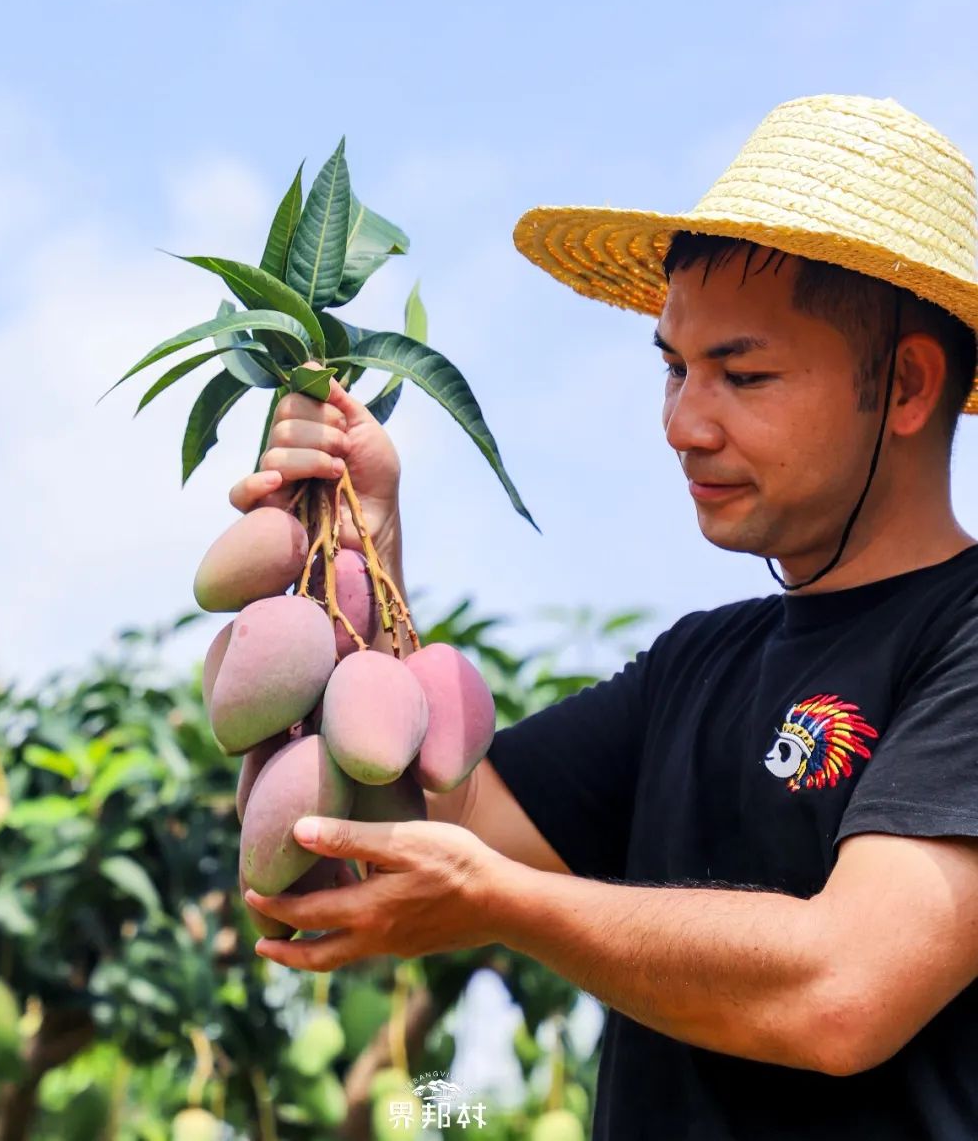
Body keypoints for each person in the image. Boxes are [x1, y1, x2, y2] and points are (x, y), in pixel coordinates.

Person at [218, 94, 978, 1139]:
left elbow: (844, 989)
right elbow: (442, 817)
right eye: (673, 367)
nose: (681, 423)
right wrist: (366, 549)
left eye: (741, 374)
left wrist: (506, 904)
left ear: (906, 383)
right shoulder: (692, 665)